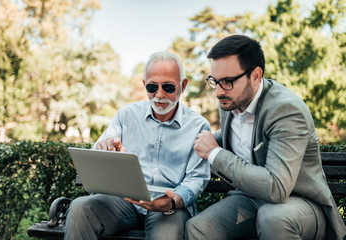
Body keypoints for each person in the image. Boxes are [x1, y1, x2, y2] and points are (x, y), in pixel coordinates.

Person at [188, 35, 346, 240]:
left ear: (255, 75)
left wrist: (214, 154)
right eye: (214, 81)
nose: (218, 92)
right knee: (198, 228)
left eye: (227, 82)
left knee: (272, 217)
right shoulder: (230, 99)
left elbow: (277, 188)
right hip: (250, 199)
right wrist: (190, 140)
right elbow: (240, 136)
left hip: (300, 203)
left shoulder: (286, 110)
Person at [64, 51, 211, 240]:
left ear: (183, 86)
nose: (159, 94)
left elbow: (197, 178)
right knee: (80, 208)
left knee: (167, 235)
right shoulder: (126, 115)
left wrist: (173, 202)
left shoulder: (198, 126)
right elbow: (97, 157)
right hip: (125, 202)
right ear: (144, 84)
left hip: (168, 207)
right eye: (152, 86)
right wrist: (104, 149)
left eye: (168, 87)